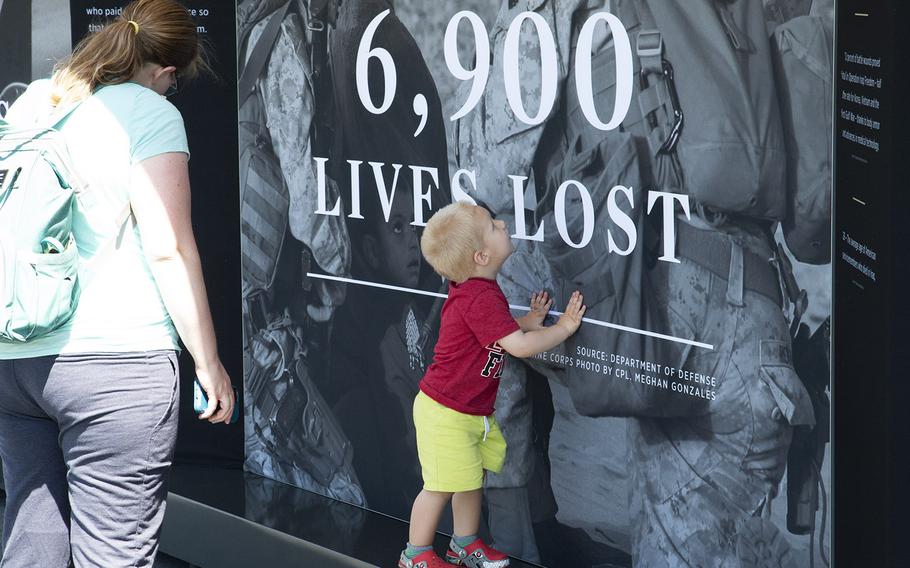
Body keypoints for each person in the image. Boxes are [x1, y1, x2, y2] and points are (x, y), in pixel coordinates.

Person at [0, 1, 234, 566]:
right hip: (114, 366)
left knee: (31, 544)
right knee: (114, 553)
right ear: (166, 73)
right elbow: (169, 245)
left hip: (15, 359)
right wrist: (208, 362)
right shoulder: (147, 111)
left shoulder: (37, 102)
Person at [399, 201, 586, 568]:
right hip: (445, 413)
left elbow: (499, 331)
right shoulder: (478, 296)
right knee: (438, 487)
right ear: (483, 255)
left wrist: (531, 319)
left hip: (466, 410)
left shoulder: (479, 289)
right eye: (493, 225)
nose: (502, 223)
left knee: (469, 481)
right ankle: (416, 555)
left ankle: (464, 544)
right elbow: (517, 346)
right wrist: (562, 328)